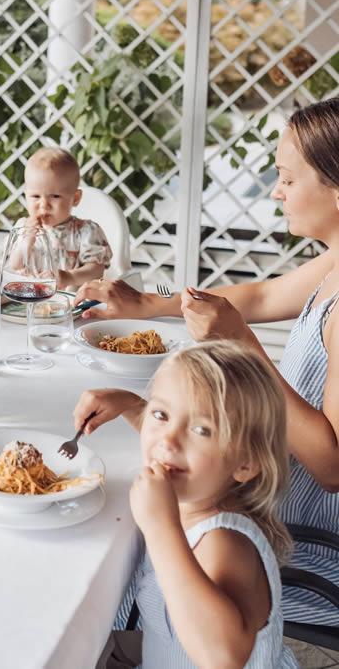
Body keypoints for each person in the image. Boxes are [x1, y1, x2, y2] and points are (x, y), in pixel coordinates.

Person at [75, 97, 339, 626]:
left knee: (112, 531)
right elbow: (261, 298)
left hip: (299, 529)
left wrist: (242, 343)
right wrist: (151, 303)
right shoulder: (334, 260)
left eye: (287, 178)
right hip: (268, 480)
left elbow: (333, 467)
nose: (276, 191)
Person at [78, 342, 296, 668]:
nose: (168, 440)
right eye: (161, 414)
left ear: (246, 463)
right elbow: (168, 439)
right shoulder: (196, 495)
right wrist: (128, 404)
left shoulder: (224, 541)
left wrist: (159, 527)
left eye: (200, 429)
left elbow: (222, 657)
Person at [15, 147, 112, 290]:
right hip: (29, 297)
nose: (44, 204)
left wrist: (70, 277)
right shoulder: (23, 227)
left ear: (75, 198)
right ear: (26, 196)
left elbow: (97, 270)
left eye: (55, 196)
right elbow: (14, 265)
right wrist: (26, 241)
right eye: (35, 196)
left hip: (72, 302)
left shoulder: (85, 232)